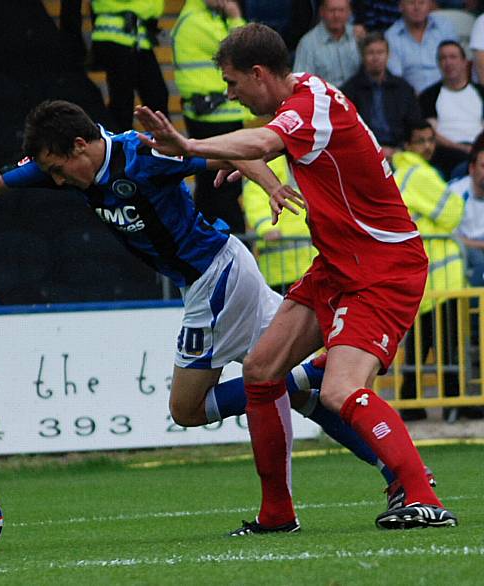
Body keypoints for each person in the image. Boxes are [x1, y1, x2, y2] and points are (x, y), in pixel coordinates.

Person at [0, 99, 403, 497]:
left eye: (61, 170)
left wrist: (272, 185)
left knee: (188, 409)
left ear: (81, 145)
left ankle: (299, 377)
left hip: (216, 276)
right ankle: (394, 473)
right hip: (217, 275)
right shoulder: (58, 161)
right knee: (307, 397)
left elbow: (231, 151)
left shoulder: (143, 155)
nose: (57, 181)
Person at [135, 22, 456, 533]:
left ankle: (422, 497)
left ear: (259, 74)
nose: (228, 92)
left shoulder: (306, 108)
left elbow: (267, 136)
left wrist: (191, 144)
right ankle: (277, 515)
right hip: (338, 263)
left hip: (381, 267)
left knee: (339, 390)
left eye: (233, 83)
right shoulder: (306, 96)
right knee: (262, 369)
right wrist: (254, 161)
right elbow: (279, 141)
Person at [391, 121, 472, 422]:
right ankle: (455, 404)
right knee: (447, 346)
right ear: (408, 146)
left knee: (422, 346)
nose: (427, 146)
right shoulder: (419, 174)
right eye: (420, 141)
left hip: (423, 278)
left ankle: (413, 403)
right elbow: (453, 214)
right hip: (440, 278)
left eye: (430, 140)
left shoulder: (405, 174)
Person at [172, 0, 251, 236]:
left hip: (215, 115)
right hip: (214, 118)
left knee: (210, 188)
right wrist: (236, 15)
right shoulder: (195, 21)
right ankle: (235, 245)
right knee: (223, 188)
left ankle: (208, 241)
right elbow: (245, 51)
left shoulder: (209, 18)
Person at [90, 0, 169, 132]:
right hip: (115, 36)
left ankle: (163, 145)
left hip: (138, 37)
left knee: (157, 96)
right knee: (122, 103)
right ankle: (120, 147)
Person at [341, 31, 421, 160]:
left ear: (388, 55)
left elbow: (414, 124)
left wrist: (400, 150)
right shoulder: (350, 90)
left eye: (380, 52)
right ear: (362, 56)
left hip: (401, 152)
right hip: (364, 154)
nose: (376, 58)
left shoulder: (403, 88)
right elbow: (348, 131)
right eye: (370, 53)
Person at [242, 156, 316, 294]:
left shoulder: (310, 158)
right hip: (279, 268)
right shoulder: (266, 163)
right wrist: (266, 227)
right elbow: (255, 196)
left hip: (312, 263)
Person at [419, 40, 484, 178]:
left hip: (479, 151)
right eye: (443, 58)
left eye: (453, 57)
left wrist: (476, 149)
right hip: (446, 154)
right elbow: (430, 133)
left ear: (465, 62)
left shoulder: (480, 92)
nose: (448, 62)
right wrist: (463, 149)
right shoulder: (429, 96)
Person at [385, 0, 457, 94]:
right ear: (400, 6)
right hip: (412, 99)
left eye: (422, 2)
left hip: (448, 93)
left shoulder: (444, 27)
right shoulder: (391, 36)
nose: (417, 7)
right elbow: (397, 78)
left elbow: (457, 65)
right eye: (411, 3)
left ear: (430, 5)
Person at [293, 0, 361, 88]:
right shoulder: (308, 44)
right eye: (332, 10)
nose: (336, 15)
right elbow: (301, 83)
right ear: (322, 12)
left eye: (341, 10)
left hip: (358, 99)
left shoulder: (358, 36)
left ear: (349, 12)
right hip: (326, 99)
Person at [451, 140, 484, 270]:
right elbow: (449, 236)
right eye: (483, 166)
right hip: (463, 249)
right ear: (472, 168)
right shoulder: (455, 192)